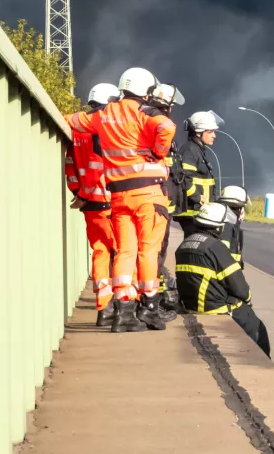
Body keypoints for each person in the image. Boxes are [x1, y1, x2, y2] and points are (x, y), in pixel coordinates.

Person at [68, 67, 176, 333]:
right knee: (147, 250)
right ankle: (149, 306)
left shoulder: (104, 114)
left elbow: (73, 121)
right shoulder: (146, 113)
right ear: (146, 91)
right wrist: (157, 152)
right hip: (148, 193)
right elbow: (167, 126)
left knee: (125, 250)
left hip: (119, 196)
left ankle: (123, 311)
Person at [175, 202, 270, 356]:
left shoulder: (184, 245)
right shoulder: (215, 247)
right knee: (257, 327)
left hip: (190, 307)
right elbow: (238, 286)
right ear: (218, 227)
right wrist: (248, 298)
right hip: (216, 309)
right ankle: (262, 363)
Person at [65, 83, 121, 326]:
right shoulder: (103, 128)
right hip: (108, 202)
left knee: (100, 252)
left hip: (89, 205)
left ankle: (103, 307)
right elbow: (105, 167)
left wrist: (79, 193)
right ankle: (122, 307)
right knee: (121, 252)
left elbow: (71, 168)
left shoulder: (76, 131)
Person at [146, 83, 184, 322]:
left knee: (154, 252)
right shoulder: (159, 125)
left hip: (157, 201)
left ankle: (153, 298)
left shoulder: (149, 121)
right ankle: (151, 302)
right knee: (153, 252)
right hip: (153, 201)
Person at [174, 111, 220, 237]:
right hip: (192, 211)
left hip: (199, 210)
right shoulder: (189, 150)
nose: (214, 135)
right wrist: (197, 197)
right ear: (198, 133)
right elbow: (184, 179)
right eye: (210, 132)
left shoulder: (198, 150)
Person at [217, 185, 248, 264]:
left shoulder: (227, 221)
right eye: (241, 207)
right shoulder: (228, 224)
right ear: (237, 206)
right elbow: (222, 255)